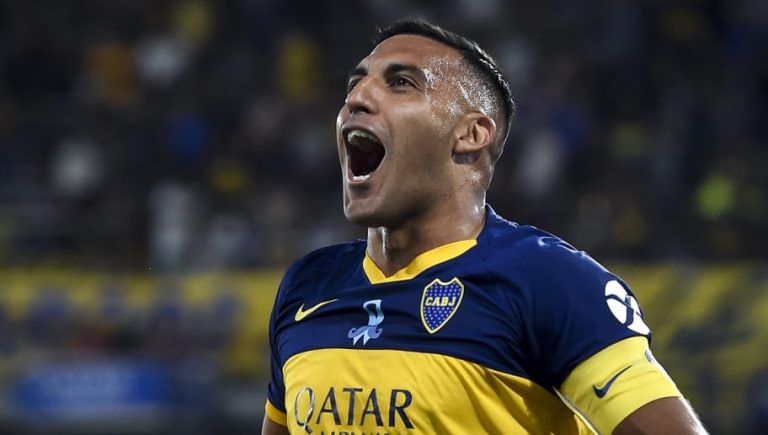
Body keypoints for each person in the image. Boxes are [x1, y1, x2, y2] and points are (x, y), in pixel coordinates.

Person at [262, 18, 707, 435]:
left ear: (471, 134)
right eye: (355, 83)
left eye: (401, 83)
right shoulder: (307, 287)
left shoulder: (547, 281)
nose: (356, 98)